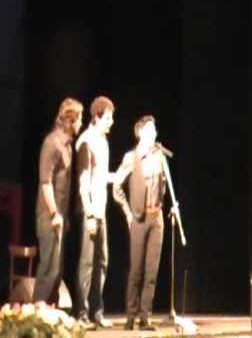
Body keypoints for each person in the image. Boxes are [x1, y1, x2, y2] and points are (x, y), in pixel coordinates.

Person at [113, 115, 175, 330]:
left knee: (151, 271)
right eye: (151, 130)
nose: (155, 133)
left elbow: (164, 188)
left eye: (155, 129)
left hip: (156, 218)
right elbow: (117, 186)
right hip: (139, 219)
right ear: (141, 133)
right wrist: (128, 213)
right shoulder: (131, 158)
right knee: (136, 270)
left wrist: (169, 206)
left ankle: (145, 316)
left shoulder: (159, 157)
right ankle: (131, 315)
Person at [33, 98, 83, 305]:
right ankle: (36, 317)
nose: (81, 124)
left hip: (60, 217)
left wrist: (63, 217)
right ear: (70, 121)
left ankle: (48, 318)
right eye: (79, 119)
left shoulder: (68, 147)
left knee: (57, 271)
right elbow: (45, 182)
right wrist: (54, 213)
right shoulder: (51, 143)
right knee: (48, 269)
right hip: (48, 215)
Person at [75, 96, 115, 329]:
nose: (111, 122)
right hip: (90, 210)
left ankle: (97, 311)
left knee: (102, 261)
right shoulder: (86, 141)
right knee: (87, 263)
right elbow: (84, 180)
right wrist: (89, 213)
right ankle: (82, 313)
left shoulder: (103, 142)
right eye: (108, 117)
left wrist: (117, 176)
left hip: (102, 210)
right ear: (97, 116)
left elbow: (101, 175)